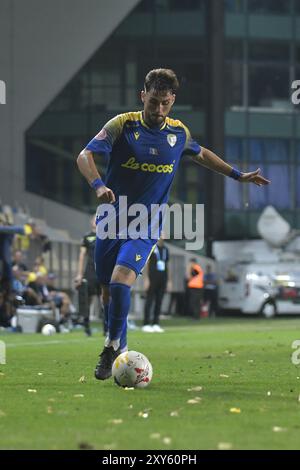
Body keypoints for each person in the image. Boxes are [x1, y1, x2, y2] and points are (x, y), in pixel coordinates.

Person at [77, 68, 270, 381]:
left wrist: (237, 175)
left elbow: (201, 154)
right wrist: (98, 184)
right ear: (143, 96)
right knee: (107, 295)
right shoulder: (122, 125)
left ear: (172, 100)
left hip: (146, 223)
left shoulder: (178, 133)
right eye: (153, 101)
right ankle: (120, 345)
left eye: (165, 103)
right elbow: (84, 155)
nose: (158, 109)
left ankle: (111, 346)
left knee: (120, 280)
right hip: (112, 220)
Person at [74, 216, 102, 336]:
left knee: (104, 300)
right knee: (88, 300)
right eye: (95, 218)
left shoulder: (106, 236)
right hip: (89, 272)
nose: (96, 221)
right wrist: (79, 274)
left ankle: (107, 329)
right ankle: (87, 328)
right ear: (91, 221)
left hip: (102, 272)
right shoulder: (87, 237)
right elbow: (81, 256)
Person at [142, 235, 170, 333]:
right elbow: (147, 264)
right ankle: (146, 323)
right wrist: (146, 279)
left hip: (163, 278)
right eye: (161, 233)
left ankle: (156, 323)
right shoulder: (152, 248)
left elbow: (167, 265)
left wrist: (169, 281)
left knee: (159, 301)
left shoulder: (166, 249)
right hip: (152, 278)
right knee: (149, 300)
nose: (163, 235)